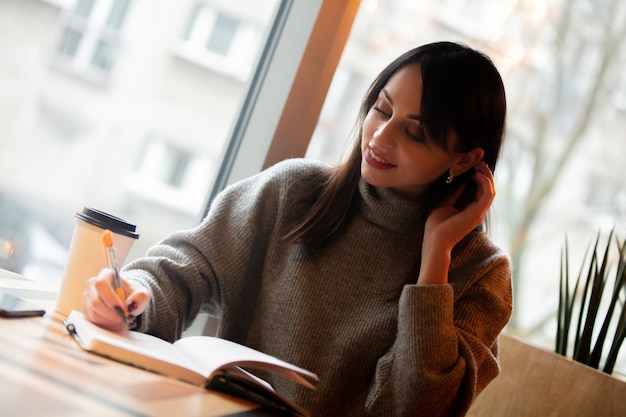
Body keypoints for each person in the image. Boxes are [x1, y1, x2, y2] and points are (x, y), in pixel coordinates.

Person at [82, 41, 512, 417]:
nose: (379, 137)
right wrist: (132, 296)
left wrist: (435, 257)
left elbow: (419, 406)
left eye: (414, 133)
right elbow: (187, 266)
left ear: (462, 160)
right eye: (381, 108)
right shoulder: (296, 190)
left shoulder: (482, 272)